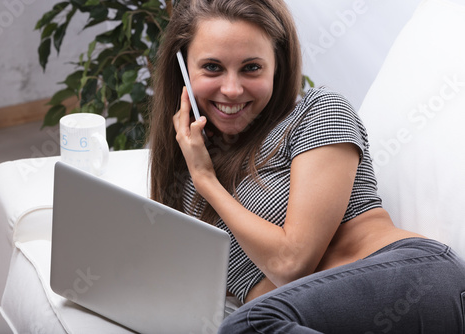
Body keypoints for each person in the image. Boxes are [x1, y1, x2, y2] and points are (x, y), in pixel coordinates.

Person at [147, 0, 465, 332]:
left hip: (415, 280)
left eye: (251, 68)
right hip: (309, 321)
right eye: (212, 67)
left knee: (252, 325)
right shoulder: (185, 181)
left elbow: (290, 265)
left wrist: (206, 181)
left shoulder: (316, 111)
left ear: (277, 66)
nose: (231, 89)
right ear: (183, 70)